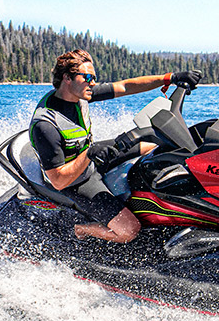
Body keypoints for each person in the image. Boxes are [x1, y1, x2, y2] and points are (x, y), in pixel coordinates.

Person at [29, 49, 202, 243]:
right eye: (87, 77)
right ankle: (82, 229)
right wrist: (88, 155)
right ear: (67, 78)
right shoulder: (46, 125)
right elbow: (58, 181)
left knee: (153, 144)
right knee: (129, 231)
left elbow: (125, 86)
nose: (92, 83)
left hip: (92, 157)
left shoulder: (80, 94)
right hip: (76, 180)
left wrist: (170, 78)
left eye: (94, 78)